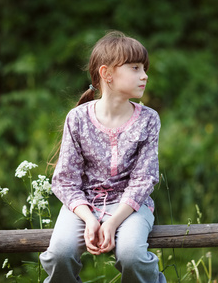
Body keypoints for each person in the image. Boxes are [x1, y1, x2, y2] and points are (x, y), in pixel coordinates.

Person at [40, 31, 166, 283]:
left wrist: (111, 222)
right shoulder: (77, 119)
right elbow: (65, 180)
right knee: (59, 255)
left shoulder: (148, 119)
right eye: (135, 68)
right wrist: (89, 219)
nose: (144, 75)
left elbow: (144, 179)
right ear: (106, 73)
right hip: (83, 206)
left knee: (132, 255)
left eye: (144, 68)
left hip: (130, 207)